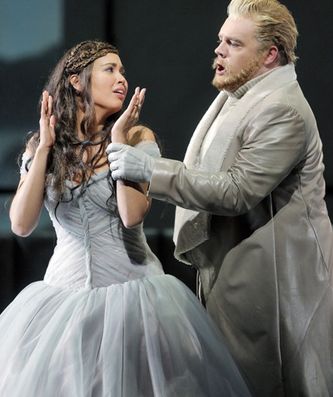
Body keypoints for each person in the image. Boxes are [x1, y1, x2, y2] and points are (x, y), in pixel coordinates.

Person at [107, 0, 333, 397]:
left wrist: (149, 171)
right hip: (233, 268)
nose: (218, 50)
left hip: (275, 281)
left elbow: (236, 190)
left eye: (233, 43)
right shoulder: (240, 93)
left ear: (269, 56)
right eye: (220, 39)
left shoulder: (283, 110)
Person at [0, 40, 253, 397]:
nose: (121, 79)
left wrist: (118, 142)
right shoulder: (43, 147)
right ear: (76, 81)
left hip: (134, 296)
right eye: (110, 69)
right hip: (63, 298)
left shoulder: (135, 137)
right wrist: (43, 148)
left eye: (123, 71)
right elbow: (21, 225)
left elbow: (132, 215)